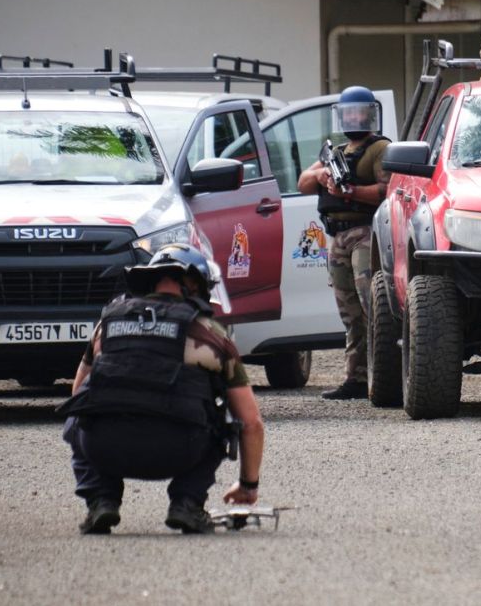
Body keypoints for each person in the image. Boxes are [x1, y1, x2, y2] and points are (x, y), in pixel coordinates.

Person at [58, 243, 264, 535]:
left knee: (79, 413)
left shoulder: (107, 325)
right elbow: (251, 422)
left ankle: (101, 500)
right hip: (180, 449)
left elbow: (78, 392)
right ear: (195, 285)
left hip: (104, 447)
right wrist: (248, 486)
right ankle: (187, 504)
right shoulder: (211, 334)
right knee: (222, 419)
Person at [297, 85, 391, 400]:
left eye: (359, 113)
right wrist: (322, 174)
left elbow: (386, 190)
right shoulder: (336, 151)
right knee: (349, 312)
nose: (353, 118)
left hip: (365, 232)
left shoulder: (380, 148)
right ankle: (356, 377)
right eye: (348, 113)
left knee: (371, 305)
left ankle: (384, 376)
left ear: (370, 115)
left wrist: (350, 192)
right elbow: (303, 183)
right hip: (337, 237)